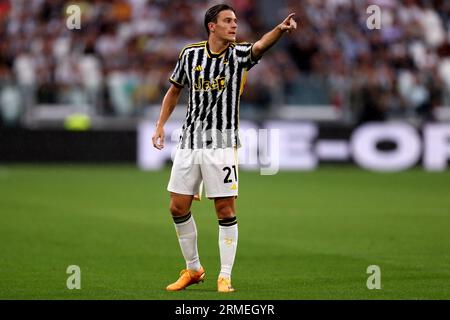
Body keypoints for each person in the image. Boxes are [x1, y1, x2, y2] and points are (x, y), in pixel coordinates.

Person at [152, 3, 297, 293]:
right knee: (177, 206)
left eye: (235, 20)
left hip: (221, 143)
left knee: (225, 209)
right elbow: (174, 90)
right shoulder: (190, 54)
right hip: (189, 140)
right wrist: (160, 125)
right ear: (212, 26)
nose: (234, 25)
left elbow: (260, 46)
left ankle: (225, 275)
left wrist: (279, 30)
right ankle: (193, 269)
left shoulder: (239, 54)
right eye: (228, 21)